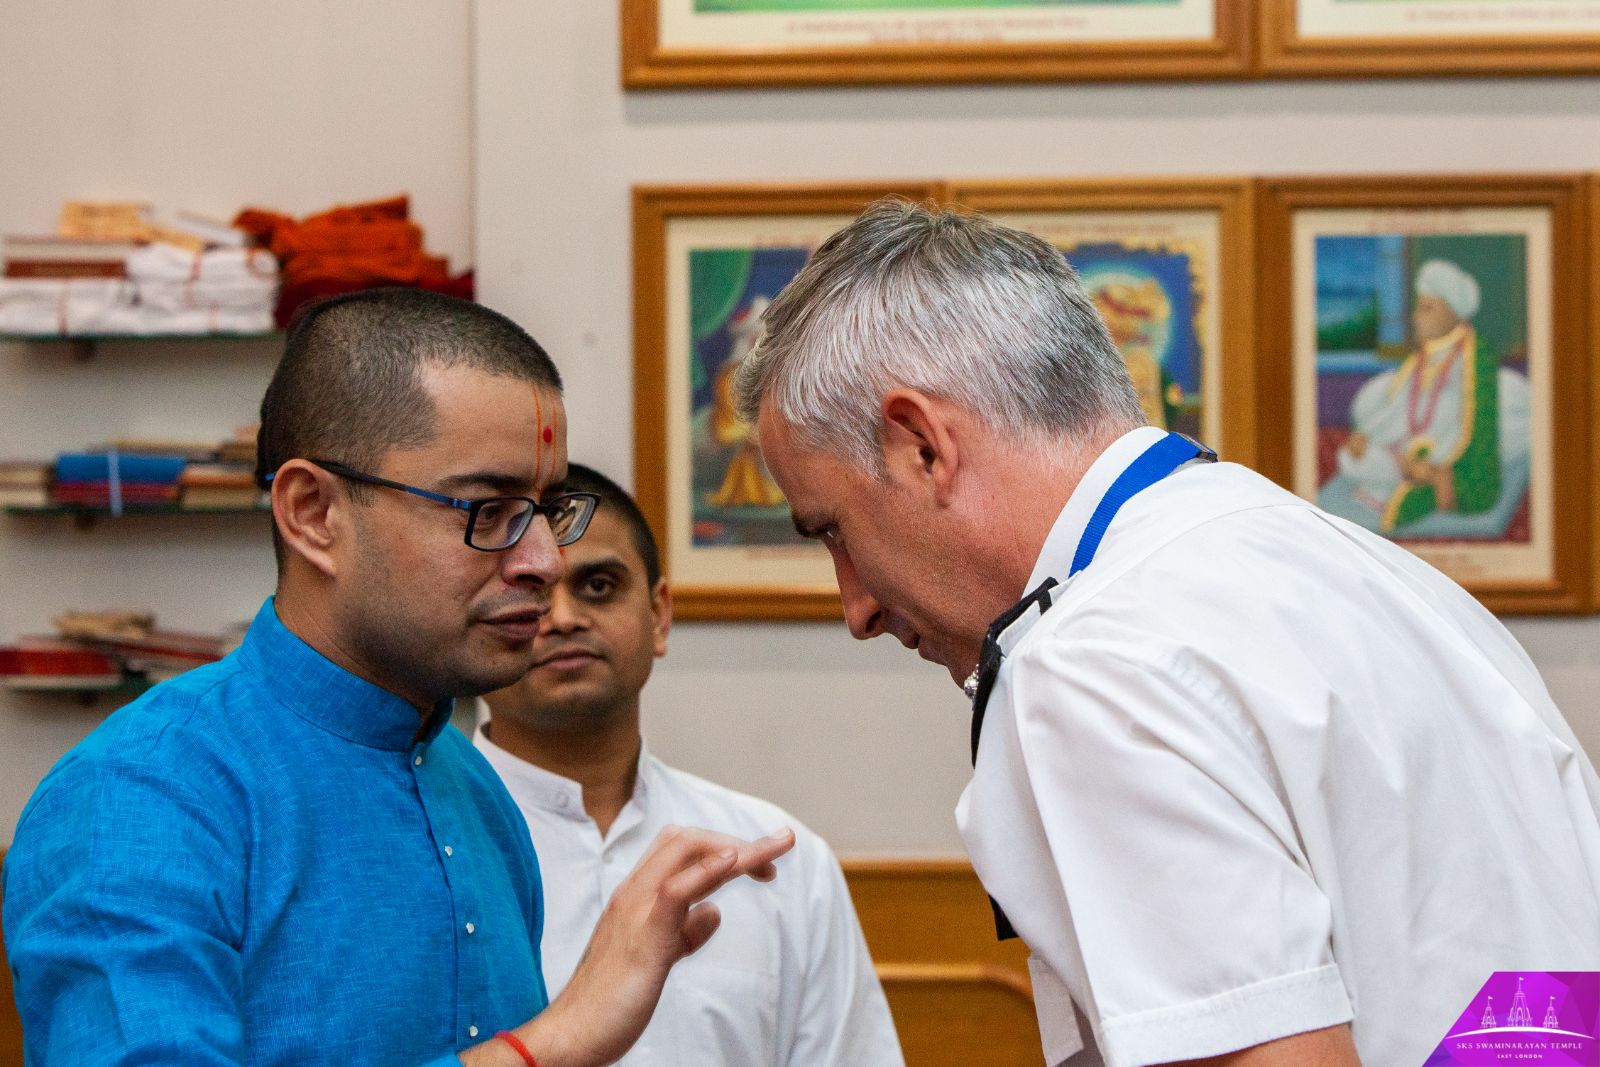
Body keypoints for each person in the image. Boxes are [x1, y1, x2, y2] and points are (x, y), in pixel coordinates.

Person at [730, 200, 1600, 1067]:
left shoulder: (1091, 661)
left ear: (921, 443)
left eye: (833, 529)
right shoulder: (1372, 572)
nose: (857, 609)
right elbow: (1542, 1001)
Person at [2, 288, 793, 1067]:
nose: (544, 562)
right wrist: (547, 1045)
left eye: (548, 509)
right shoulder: (142, 798)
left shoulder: (474, 790)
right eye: (487, 509)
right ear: (314, 513)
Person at [471, 462, 903, 1066]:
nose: (564, 618)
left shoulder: (776, 858)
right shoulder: (421, 852)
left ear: (660, 615)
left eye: (598, 586)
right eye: (532, 594)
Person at [1331, 257, 1531, 532]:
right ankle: (1399, 474)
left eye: (1427, 308)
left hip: (1447, 459)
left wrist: (1436, 470)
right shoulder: (1422, 358)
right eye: (1418, 307)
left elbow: (1470, 427)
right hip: (1409, 451)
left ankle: (1399, 483)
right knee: (1349, 459)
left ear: (1452, 312)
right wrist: (1367, 436)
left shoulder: (1475, 358)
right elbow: (1398, 407)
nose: (1416, 316)